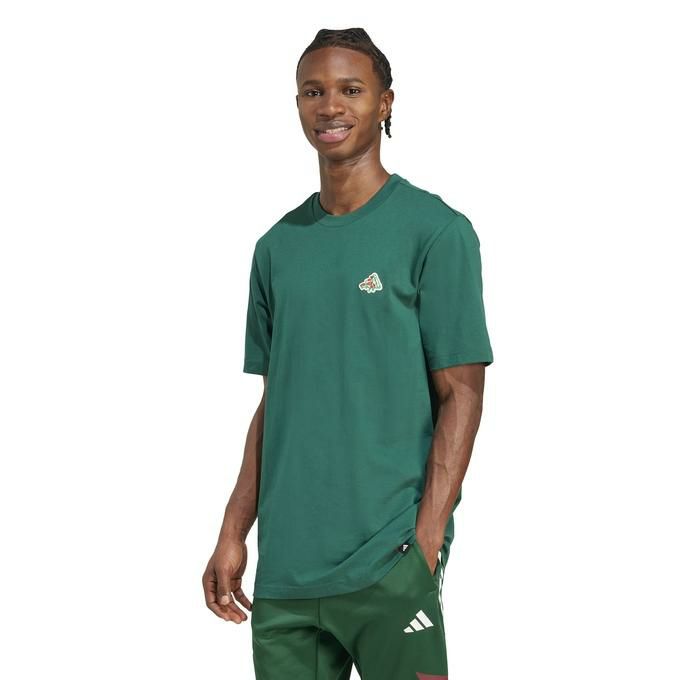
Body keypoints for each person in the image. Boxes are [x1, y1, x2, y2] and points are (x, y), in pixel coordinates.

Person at [203, 27, 494, 680]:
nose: (330, 106)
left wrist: (425, 541)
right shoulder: (277, 247)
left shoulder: (436, 231)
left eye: (350, 90)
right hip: (287, 572)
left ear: (385, 103)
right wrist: (233, 530)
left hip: (387, 558)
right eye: (313, 91)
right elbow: (277, 402)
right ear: (297, 104)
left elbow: (462, 394)